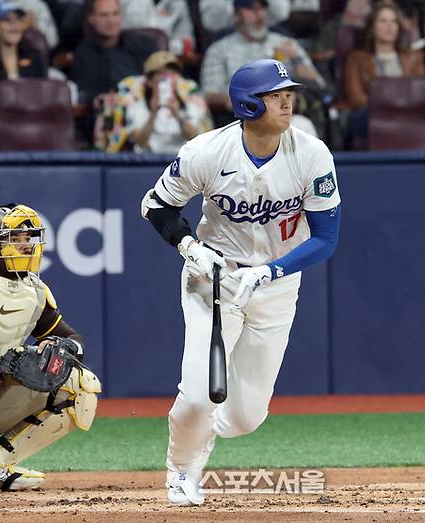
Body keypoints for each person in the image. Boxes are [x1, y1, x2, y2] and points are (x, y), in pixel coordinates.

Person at [140, 58, 341, 506]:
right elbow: (156, 206)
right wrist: (192, 249)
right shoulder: (206, 152)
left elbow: (326, 240)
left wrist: (269, 272)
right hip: (214, 280)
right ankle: (182, 469)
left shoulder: (312, 154)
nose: (287, 100)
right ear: (249, 105)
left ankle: (199, 432)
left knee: (247, 417)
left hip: (277, 282)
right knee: (196, 397)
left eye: (287, 91)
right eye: (275, 94)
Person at [0, 204, 101, 496]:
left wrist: (60, 347)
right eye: (15, 238)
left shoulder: (35, 290)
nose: (26, 245)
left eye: (28, 238)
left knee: (82, 387)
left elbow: (73, 338)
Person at [200, 0, 325, 128]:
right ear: (236, 15)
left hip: (283, 114)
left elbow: (318, 84)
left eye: (262, 8)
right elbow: (208, 94)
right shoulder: (219, 49)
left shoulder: (285, 43)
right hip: (239, 118)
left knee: (303, 125)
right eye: (251, 9)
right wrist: (230, 100)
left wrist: (295, 59)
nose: (259, 14)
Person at [343, 2, 425, 145]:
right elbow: (356, 98)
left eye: (394, 22)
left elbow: (424, 92)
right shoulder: (357, 58)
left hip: (408, 111)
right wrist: (388, 106)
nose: (390, 27)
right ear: (372, 27)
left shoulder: (413, 57)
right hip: (372, 112)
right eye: (383, 21)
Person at [69, 0, 159, 107]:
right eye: (103, 15)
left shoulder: (145, 45)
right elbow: (84, 93)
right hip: (113, 113)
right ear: (90, 18)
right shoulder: (83, 55)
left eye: (115, 13)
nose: (111, 21)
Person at [125, 50, 213, 154]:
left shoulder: (190, 105)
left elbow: (194, 138)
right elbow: (140, 143)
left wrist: (177, 115)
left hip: (180, 162)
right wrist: (153, 114)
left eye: (172, 74)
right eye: (162, 74)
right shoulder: (137, 106)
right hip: (148, 163)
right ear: (149, 81)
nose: (168, 79)